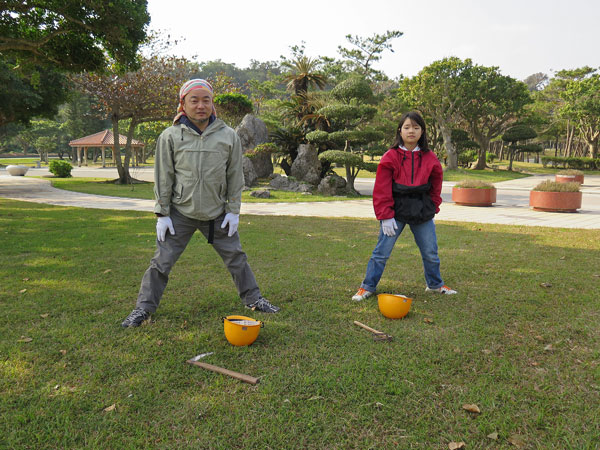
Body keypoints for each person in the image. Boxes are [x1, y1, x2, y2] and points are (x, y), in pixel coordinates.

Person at [122, 79, 279, 328]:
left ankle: (254, 299)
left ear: (212, 103)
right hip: (179, 214)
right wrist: (162, 213)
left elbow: (234, 176)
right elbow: (164, 176)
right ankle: (142, 309)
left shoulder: (227, 136)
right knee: (160, 263)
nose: (200, 105)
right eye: (194, 100)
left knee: (236, 258)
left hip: (217, 214)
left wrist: (233, 210)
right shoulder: (170, 136)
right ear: (183, 103)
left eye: (206, 100)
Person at [352, 111, 456, 301]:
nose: (411, 131)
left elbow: (436, 184)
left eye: (416, 128)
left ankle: (435, 285)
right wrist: (385, 216)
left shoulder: (430, 157)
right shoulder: (390, 157)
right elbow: (382, 189)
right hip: (395, 211)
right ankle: (367, 287)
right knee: (381, 253)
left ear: (422, 132)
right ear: (400, 131)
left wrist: (433, 206)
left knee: (430, 252)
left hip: (421, 210)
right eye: (407, 127)